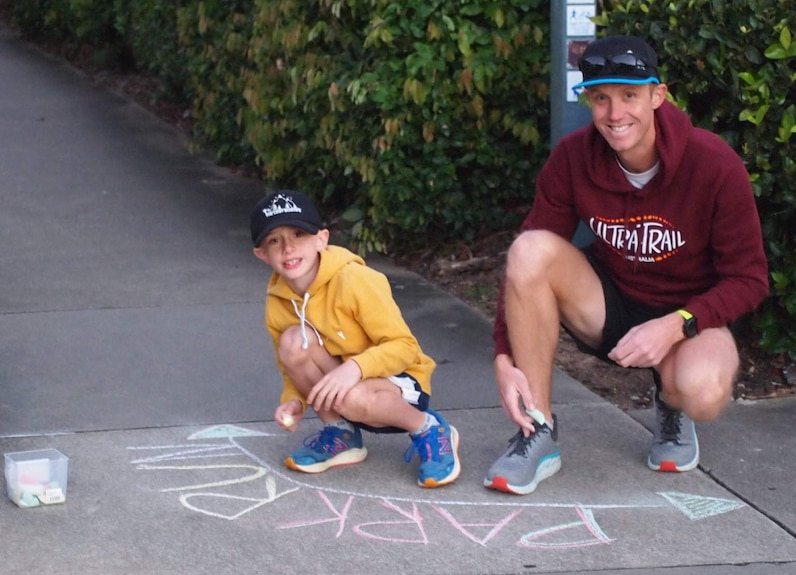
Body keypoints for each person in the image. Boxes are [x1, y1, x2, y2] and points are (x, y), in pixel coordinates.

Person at [484, 35, 769, 495]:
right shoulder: (574, 158)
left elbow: (750, 279)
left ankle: (671, 405)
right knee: (530, 248)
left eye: (629, 95)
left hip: (686, 316)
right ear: (589, 101)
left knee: (704, 391)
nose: (615, 114)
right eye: (601, 98)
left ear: (659, 95)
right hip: (608, 306)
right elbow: (525, 264)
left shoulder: (714, 163)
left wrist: (678, 325)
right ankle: (537, 430)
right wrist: (503, 354)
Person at [250, 190, 460, 488]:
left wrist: (355, 369)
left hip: (399, 381)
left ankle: (429, 429)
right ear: (262, 254)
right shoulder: (279, 299)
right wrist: (294, 401)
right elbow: (289, 366)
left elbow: (404, 347)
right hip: (347, 379)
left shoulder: (355, 280)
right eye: (274, 240)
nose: (288, 247)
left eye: (299, 233)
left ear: (322, 238)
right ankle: (341, 433)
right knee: (292, 341)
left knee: (351, 395)